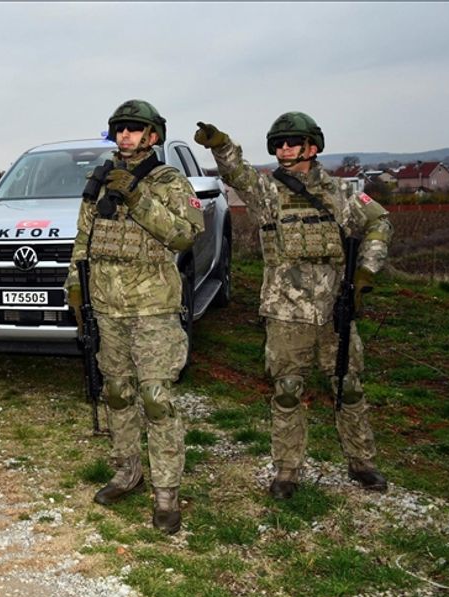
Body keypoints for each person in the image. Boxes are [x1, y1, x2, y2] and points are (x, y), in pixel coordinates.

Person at [194, 113, 393, 499]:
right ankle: (287, 471)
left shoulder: (341, 193)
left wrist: (366, 271)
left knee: (348, 388)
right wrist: (220, 143)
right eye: (279, 143)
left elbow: (380, 223)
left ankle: (362, 463)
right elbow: (237, 174)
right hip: (285, 315)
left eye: (292, 141)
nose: (284, 148)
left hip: (334, 312)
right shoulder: (268, 194)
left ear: (312, 146)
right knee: (287, 391)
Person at [65, 100, 204, 534]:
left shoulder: (169, 181)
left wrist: (138, 196)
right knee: (118, 394)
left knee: (156, 400)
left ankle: (166, 494)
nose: (125, 135)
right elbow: (83, 239)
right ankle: (127, 471)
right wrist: (74, 285)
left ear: (153, 136)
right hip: (107, 307)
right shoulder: (100, 179)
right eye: (119, 129)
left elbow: (184, 234)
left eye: (134, 129)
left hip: (154, 309)